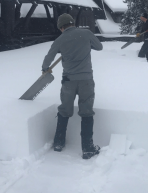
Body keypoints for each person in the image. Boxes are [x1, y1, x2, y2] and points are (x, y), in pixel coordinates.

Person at [41, 13, 103, 159]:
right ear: (72, 23)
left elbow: (48, 57)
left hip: (68, 81)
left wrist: (45, 69)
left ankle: (58, 143)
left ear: (61, 27)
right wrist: (86, 44)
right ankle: (87, 148)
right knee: (86, 112)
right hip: (86, 80)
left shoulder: (60, 39)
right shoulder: (86, 33)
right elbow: (99, 46)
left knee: (64, 110)